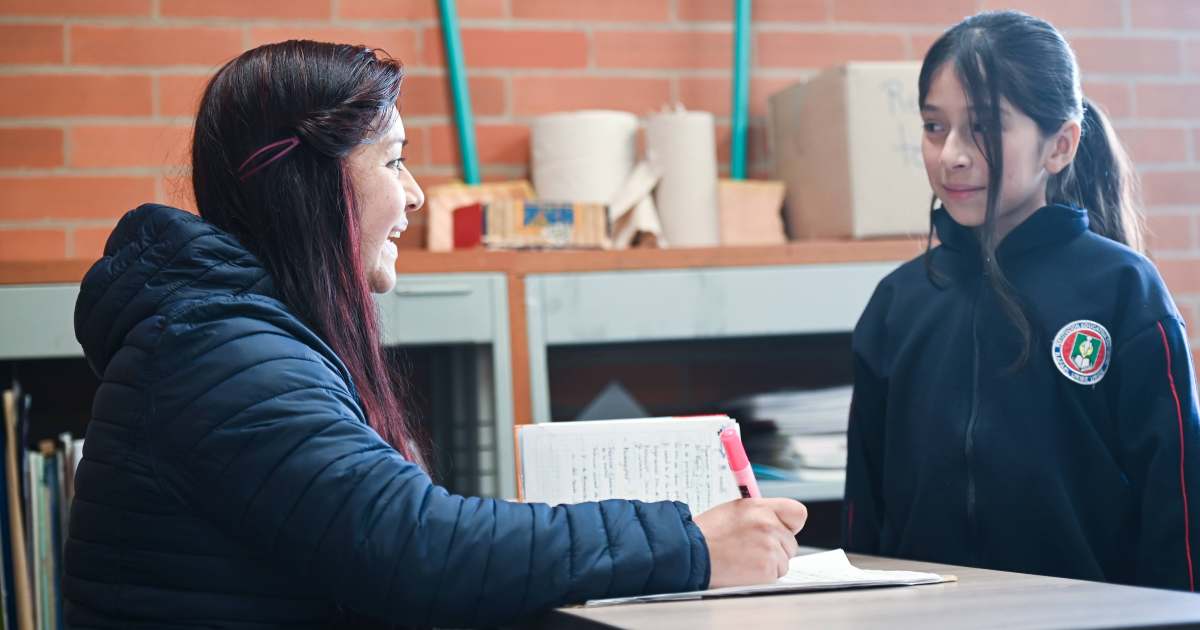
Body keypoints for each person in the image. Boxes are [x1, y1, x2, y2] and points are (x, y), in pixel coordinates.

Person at [65, 40, 808, 628]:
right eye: (393, 161)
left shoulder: (226, 336)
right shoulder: (227, 356)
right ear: (312, 188)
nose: (415, 193)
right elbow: (419, 548)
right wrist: (690, 545)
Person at [842, 9, 1200, 591]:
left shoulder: (1123, 292)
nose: (952, 154)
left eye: (983, 127)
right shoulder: (897, 303)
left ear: (1059, 145)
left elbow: (1178, 508)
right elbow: (865, 509)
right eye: (935, 127)